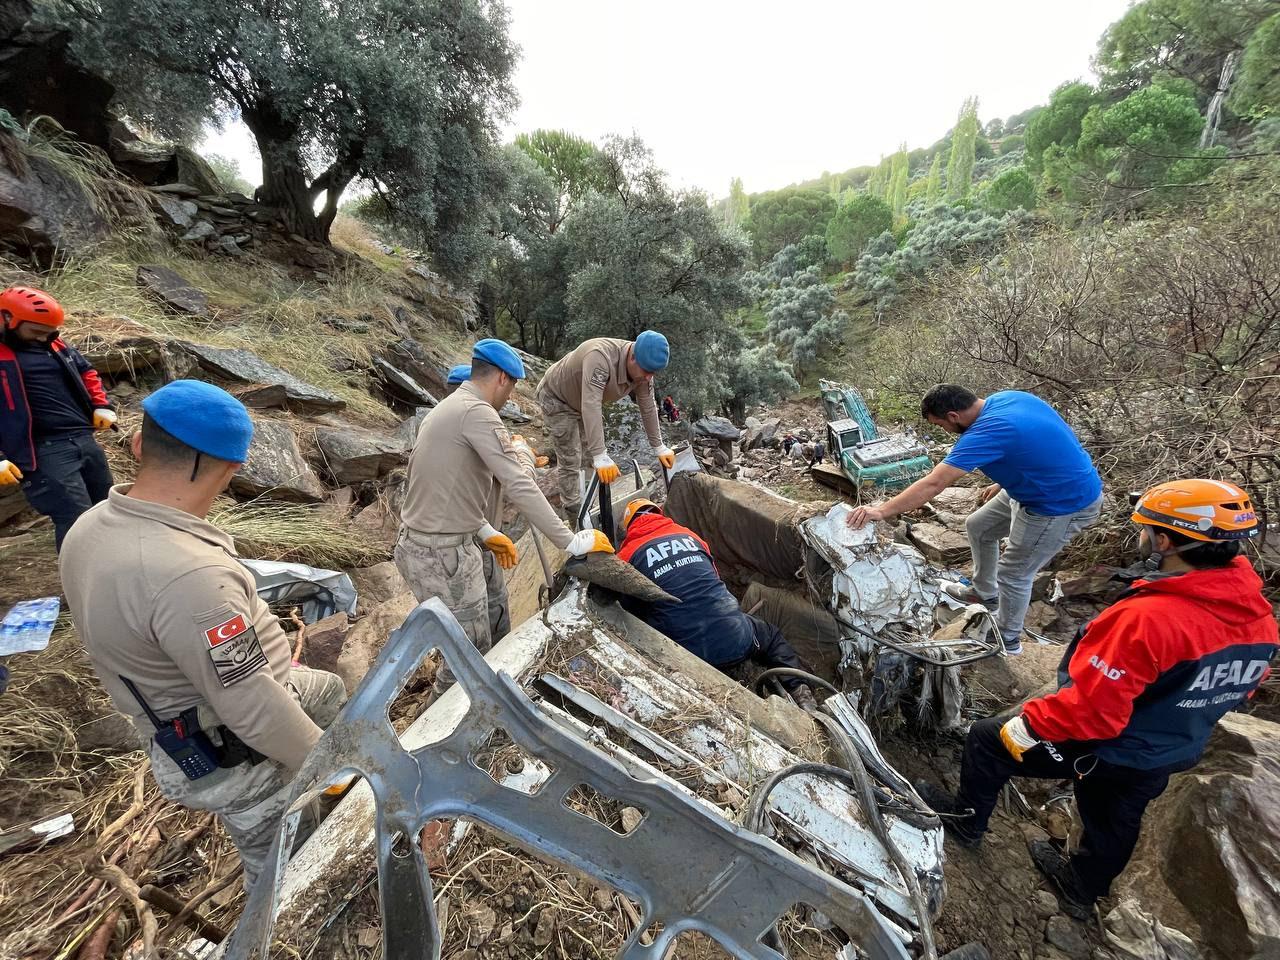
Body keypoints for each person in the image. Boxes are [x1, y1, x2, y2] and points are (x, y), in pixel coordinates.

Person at [916, 478, 1276, 920]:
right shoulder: (1258, 617)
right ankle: (1081, 891)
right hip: (1171, 746)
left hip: (1110, 744)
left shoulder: (1150, 618)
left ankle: (966, 823)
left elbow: (1092, 714)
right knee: (1117, 817)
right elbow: (1243, 688)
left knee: (989, 740)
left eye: (1145, 528)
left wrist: (1029, 724)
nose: (1141, 534)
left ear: (1164, 540)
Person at [59, 380, 349, 889]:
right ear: (229, 469)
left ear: (138, 444)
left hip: (183, 714)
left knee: (331, 691)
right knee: (288, 869)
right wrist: (327, 767)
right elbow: (255, 712)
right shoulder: (189, 576)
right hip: (232, 751)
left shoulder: (87, 528)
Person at [398, 338, 614, 695]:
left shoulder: (449, 408)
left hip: (440, 543)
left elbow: (445, 484)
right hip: (441, 553)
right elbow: (518, 482)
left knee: (484, 637)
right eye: (511, 386)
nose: (510, 396)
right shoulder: (477, 412)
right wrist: (571, 540)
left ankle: (491, 703)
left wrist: (482, 530)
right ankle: (439, 734)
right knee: (466, 659)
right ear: (501, 377)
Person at [848, 385, 1102, 654]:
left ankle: (1007, 640)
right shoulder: (1010, 398)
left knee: (1014, 573)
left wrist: (882, 511)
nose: (943, 431)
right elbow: (1041, 443)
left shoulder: (985, 433)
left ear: (953, 416)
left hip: (1059, 504)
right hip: (1036, 487)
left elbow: (934, 484)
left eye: (940, 424)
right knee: (979, 526)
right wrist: (1005, 482)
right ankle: (984, 593)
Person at [616, 499, 819, 711]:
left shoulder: (626, 556)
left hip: (684, 655)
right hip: (735, 638)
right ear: (660, 515)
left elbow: (631, 611)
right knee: (770, 636)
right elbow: (713, 580)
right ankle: (800, 692)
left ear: (629, 526)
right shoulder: (689, 536)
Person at [0, 286, 117, 551]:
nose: (44, 339)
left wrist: (101, 404)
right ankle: (79, 584)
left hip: (84, 438)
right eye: (36, 332)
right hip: (43, 451)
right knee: (75, 521)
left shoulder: (56, 346)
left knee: (107, 509)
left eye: (50, 332)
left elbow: (86, 371)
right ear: (8, 319)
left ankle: (113, 571)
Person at [535, 332, 676, 521]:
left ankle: (588, 504)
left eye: (653, 373)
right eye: (646, 371)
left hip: (583, 401)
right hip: (558, 398)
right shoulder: (600, 357)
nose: (649, 378)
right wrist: (600, 454)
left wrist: (659, 446)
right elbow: (591, 404)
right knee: (571, 458)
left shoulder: (644, 370)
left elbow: (648, 406)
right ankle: (575, 516)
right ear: (632, 356)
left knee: (588, 457)